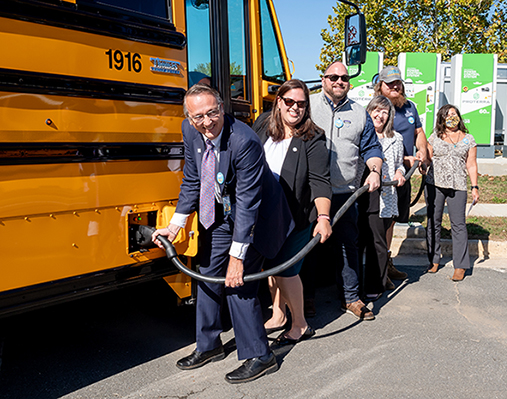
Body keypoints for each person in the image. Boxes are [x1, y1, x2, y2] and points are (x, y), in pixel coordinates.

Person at [151, 84, 294, 384]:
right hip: (220, 214)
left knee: (236, 281)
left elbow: (247, 202)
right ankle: (209, 345)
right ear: (189, 118)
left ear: (222, 108)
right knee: (207, 273)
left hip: (257, 217)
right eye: (198, 117)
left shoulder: (244, 141)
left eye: (212, 113)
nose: (206, 122)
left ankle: (260, 355)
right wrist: (174, 226)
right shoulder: (190, 131)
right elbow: (192, 179)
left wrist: (237, 256)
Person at [253, 79, 332, 345]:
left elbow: (320, 181)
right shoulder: (264, 124)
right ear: (279, 101)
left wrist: (323, 218)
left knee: (285, 269)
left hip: (296, 217)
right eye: (290, 102)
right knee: (270, 266)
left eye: (301, 104)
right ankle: (278, 314)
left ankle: (300, 323)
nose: (295, 108)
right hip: (266, 215)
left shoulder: (312, 136)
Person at [306, 61, 384, 320]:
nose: (339, 81)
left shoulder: (360, 113)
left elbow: (371, 148)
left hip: (344, 193)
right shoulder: (307, 105)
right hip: (308, 192)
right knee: (308, 248)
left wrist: (374, 170)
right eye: (333, 77)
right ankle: (305, 298)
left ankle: (351, 298)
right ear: (324, 79)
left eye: (344, 78)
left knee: (347, 247)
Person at [375, 65, 429, 281]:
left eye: (398, 83)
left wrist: (423, 152)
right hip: (382, 177)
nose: (395, 86)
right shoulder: (376, 109)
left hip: (403, 178)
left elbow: (419, 133)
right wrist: (402, 159)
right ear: (380, 86)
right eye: (390, 84)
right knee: (380, 221)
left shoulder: (410, 107)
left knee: (393, 220)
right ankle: (376, 267)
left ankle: (387, 262)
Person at [358, 96, 406, 300]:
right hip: (362, 194)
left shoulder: (396, 138)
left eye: (384, 112)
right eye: (375, 110)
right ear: (368, 112)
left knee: (379, 242)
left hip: (386, 195)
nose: (379, 115)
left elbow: (399, 164)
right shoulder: (361, 135)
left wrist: (400, 172)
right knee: (362, 240)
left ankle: (377, 283)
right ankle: (356, 284)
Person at [425, 104, 479, 281]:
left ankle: (461, 265)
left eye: (454, 114)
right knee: (434, 222)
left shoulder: (468, 139)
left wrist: (474, 187)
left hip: (458, 185)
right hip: (434, 184)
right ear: (441, 118)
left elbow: (471, 164)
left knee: (459, 225)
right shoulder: (434, 137)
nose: (452, 118)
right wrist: (422, 165)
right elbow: (427, 158)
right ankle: (433, 259)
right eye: (448, 115)